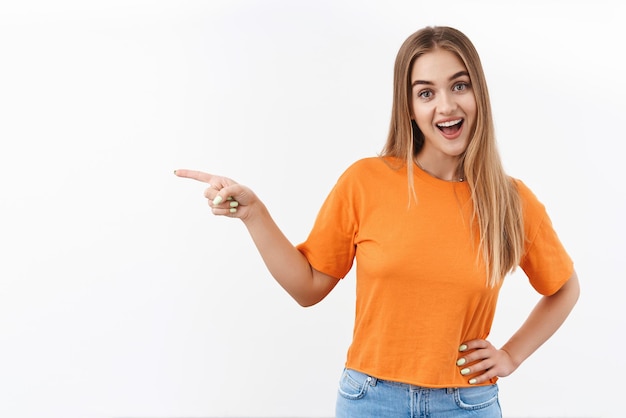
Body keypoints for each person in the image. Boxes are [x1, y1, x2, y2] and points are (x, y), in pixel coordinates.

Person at [175, 25, 579, 417]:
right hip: (370, 401)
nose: (446, 106)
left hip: (466, 404)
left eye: (460, 85)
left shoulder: (511, 202)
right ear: (410, 107)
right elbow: (308, 287)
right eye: (426, 92)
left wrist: (511, 355)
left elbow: (564, 289)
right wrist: (253, 214)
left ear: (479, 94)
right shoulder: (366, 182)